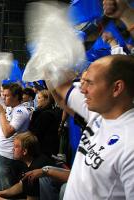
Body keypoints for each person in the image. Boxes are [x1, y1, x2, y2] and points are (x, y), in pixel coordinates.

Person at [50, 55, 134, 199]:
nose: (82, 89)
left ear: (116, 88)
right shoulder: (98, 113)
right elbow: (62, 86)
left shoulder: (130, 143)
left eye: (89, 83)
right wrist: (47, 58)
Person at [0, 132, 54, 200]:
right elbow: (22, 185)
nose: (13, 149)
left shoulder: (34, 170)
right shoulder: (28, 161)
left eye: (16, 146)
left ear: (24, 151)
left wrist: (0, 199)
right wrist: (1, 193)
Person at [0, 83, 30, 190]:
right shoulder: (10, 107)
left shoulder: (20, 111)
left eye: (6, 96)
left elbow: (7, 132)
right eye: (3, 95)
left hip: (10, 157)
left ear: (16, 97)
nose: (3, 98)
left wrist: (1, 113)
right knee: (2, 187)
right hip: (3, 154)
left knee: (7, 189)